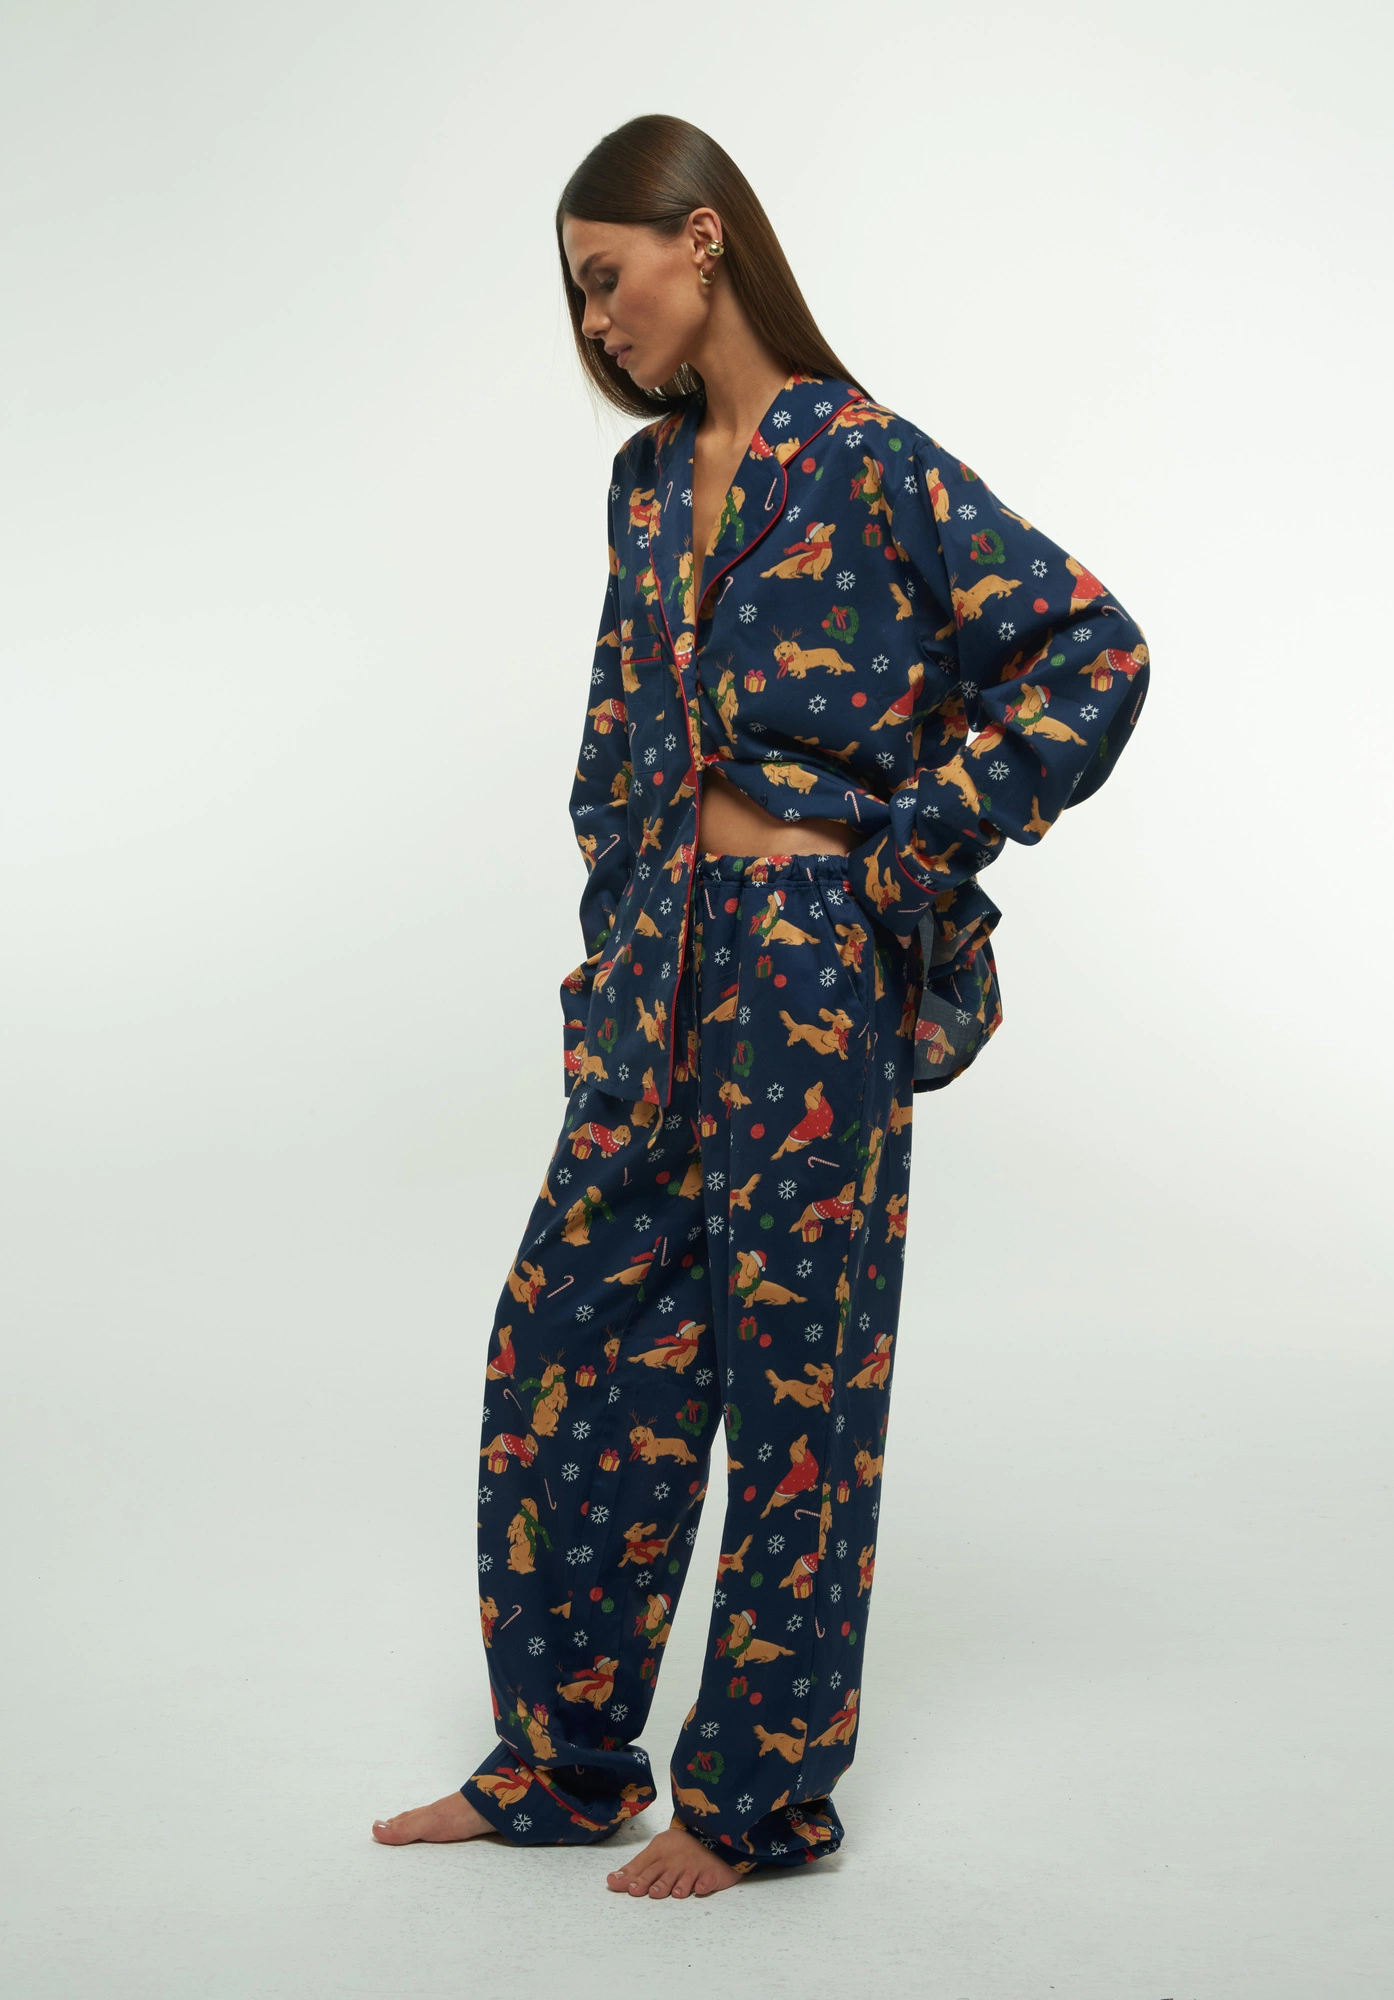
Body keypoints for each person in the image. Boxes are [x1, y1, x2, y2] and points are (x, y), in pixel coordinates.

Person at [372, 112, 1149, 1898]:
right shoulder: (645, 487)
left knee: (798, 1386)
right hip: (657, 968)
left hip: (811, 966)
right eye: (575, 297)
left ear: (702, 240)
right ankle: (562, 1765)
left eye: (605, 279)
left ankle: (755, 1801)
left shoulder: (866, 461)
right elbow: (612, 750)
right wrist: (608, 966)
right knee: (565, 1352)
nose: (593, 324)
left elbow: (1093, 649)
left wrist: (912, 848)